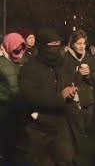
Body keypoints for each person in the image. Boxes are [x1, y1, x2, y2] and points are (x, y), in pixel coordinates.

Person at [16, 28, 76, 166]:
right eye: (52, 44)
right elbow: (31, 96)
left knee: (66, 159)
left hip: (60, 125)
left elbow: (69, 80)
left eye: (58, 44)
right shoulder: (29, 68)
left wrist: (72, 91)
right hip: (38, 127)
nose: (56, 48)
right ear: (43, 46)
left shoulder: (61, 64)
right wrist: (60, 97)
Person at [61, 30, 95, 138]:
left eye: (83, 43)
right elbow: (62, 79)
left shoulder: (89, 58)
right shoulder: (65, 58)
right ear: (72, 44)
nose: (82, 46)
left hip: (87, 101)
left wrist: (88, 75)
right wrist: (78, 74)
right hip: (72, 101)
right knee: (75, 132)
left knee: (86, 127)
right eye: (78, 43)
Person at [0, 33, 27, 163]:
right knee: (7, 144)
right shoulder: (1, 63)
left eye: (22, 47)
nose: (19, 50)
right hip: (4, 110)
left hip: (19, 108)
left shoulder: (23, 61)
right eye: (16, 47)